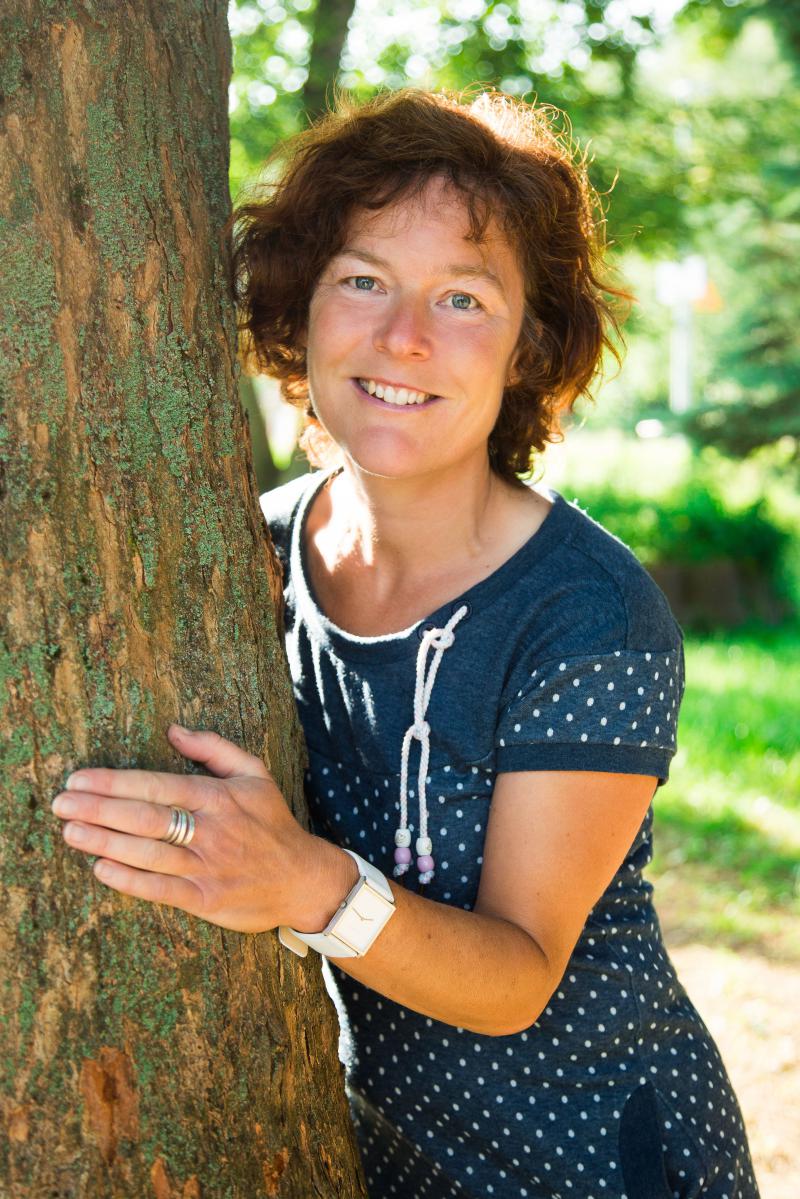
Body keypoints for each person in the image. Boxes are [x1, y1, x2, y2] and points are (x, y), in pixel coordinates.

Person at [52, 89, 759, 1198]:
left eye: (462, 298)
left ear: (528, 346)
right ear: (300, 303)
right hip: (382, 1161)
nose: (403, 337)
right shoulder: (244, 557)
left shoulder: (589, 615)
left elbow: (519, 973)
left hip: (603, 1160)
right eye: (363, 280)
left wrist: (305, 882)